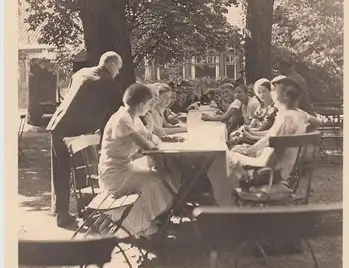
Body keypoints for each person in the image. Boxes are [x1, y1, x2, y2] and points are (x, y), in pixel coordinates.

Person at [207, 75, 321, 206]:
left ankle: (226, 205)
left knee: (221, 161)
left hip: (271, 169)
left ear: (286, 96)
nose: (272, 93)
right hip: (280, 167)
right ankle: (228, 200)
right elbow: (273, 140)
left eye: (274, 90)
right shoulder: (297, 114)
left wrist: (249, 153)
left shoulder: (287, 117)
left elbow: (272, 146)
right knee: (230, 156)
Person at [47, 51, 123, 227]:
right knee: (81, 169)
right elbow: (120, 110)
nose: (118, 73)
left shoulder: (81, 73)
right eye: (118, 68)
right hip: (74, 131)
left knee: (61, 172)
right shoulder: (107, 81)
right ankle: (86, 210)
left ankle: (62, 213)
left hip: (57, 124)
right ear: (111, 64)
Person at [98, 83, 180, 238]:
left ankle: (152, 220)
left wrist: (166, 139)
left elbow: (149, 136)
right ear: (142, 104)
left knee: (166, 177)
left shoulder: (132, 117)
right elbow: (145, 145)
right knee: (159, 180)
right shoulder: (123, 119)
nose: (150, 108)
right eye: (149, 104)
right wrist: (158, 147)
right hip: (114, 173)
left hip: (124, 166)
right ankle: (141, 227)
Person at [228, 78, 277, 147]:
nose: (261, 95)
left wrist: (248, 133)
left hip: (263, 139)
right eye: (259, 92)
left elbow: (263, 129)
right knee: (233, 138)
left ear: (271, 92)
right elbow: (252, 124)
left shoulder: (273, 109)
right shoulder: (261, 107)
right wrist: (245, 130)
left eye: (264, 91)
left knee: (234, 143)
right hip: (257, 135)